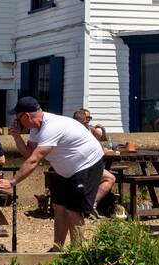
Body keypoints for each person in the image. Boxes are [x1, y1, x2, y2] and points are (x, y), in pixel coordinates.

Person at [9, 95, 104, 250]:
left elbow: (34, 161)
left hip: (87, 164)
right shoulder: (35, 129)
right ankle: (57, 249)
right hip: (65, 169)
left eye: (18, 118)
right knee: (58, 207)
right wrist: (17, 137)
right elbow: (29, 155)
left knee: (74, 211)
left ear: (26, 116)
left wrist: (12, 181)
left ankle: (77, 253)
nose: (17, 122)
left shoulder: (51, 127)